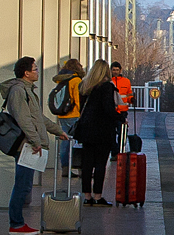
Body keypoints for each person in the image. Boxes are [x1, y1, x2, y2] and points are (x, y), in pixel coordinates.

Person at [0, 56, 70, 235]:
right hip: (26, 145)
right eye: (35, 69)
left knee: (24, 184)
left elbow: (38, 118)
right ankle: (16, 224)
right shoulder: (18, 91)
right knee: (22, 184)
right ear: (26, 73)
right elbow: (23, 119)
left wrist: (57, 131)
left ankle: (17, 222)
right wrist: (35, 141)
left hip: (29, 143)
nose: (38, 72)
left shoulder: (27, 90)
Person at [74, 60, 121, 206]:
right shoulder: (107, 86)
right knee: (100, 163)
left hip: (86, 129)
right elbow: (108, 109)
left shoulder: (84, 86)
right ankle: (97, 196)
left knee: (87, 164)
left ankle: (87, 197)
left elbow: (82, 108)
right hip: (102, 130)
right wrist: (120, 118)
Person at [50, 58, 84, 169]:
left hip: (62, 114)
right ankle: (79, 166)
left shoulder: (61, 80)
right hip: (74, 114)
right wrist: (82, 113)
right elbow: (78, 99)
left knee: (65, 140)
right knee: (79, 141)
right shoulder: (76, 80)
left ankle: (65, 167)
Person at [110, 61, 133, 146]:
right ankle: (114, 149)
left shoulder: (126, 81)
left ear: (120, 70)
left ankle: (121, 148)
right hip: (111, 111)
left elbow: (129, 94)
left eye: (117, 70)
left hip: (122, 112)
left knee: (122, 132)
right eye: (114, 70)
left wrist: (131, 99)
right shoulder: (108, 82)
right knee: (111, 133)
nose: (115, 72)